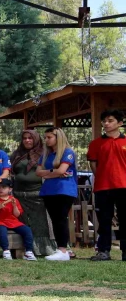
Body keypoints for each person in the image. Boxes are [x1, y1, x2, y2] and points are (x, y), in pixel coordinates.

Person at [9, 130, 57, 256]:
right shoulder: (16, 154)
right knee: (22, 223)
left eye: (30, 138)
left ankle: (44, 249)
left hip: (38, 194)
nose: (27, 140)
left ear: (36, 139)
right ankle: (25, 248)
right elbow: (11, 172)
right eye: (24, 138)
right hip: (19, 194)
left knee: (41, 224)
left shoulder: (45, 153)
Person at [87, 109, 126, 262]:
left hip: (124, 186)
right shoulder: (96, 143)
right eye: (104, 121)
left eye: (110, 120)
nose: (106, 124)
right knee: (104, 220)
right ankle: (103, 251)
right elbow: (93, 165)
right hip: (103, 187)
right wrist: (102, 177)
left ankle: (125, 252)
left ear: (120, 123)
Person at [34, 127, 78, 261]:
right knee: (55, 219)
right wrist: (53, 171)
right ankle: (61, 249)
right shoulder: (46, 154)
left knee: (60, 218)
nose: (46, 140)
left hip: (64, 190)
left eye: (49, 137)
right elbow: (38, 172)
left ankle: (63, 250)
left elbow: (62, 170)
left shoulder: (68, 152)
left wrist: (49, 173)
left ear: (58, 137)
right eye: (45, 137)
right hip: (48, 190)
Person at [0, 179, 37, 261]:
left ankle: (29, 252)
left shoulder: (13, 199)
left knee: (27, 230)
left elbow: (17, 214)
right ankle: (6, 251)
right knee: (2, 231)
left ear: (10, 189)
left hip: (12, 221)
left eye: (3, 187)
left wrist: (14, 206)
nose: (0, 189)